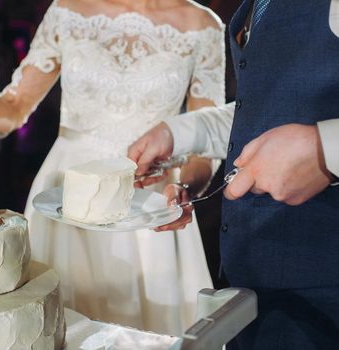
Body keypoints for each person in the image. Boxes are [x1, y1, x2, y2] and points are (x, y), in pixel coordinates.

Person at [0, 0, 226, 334]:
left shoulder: (202, 25)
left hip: (148, 203)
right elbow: (13, 107)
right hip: (64, 197)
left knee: (148, 332)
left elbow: (205, 143)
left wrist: (185, 189)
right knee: (58, 326)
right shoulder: (69, 9)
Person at [128, 0, 339, 348]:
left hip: (323, 293)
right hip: (252, 284)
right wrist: (178, 133)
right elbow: (267, 108)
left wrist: (324, 150)